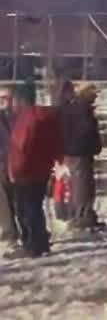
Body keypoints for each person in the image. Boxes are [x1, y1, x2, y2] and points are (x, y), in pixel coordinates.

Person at [7, 83, 63, 257]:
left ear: (21, 100)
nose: (12, 104)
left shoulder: (26, 120)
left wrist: (13, 171)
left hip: (26, 172)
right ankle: (40, 242)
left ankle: (32, 245)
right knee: (35, 207)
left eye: (13, 100)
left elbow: (20, 149)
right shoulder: (44, 117)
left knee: (26, 209)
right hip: (41, 169)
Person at [59, 83, 104, 230]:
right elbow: (85, 132)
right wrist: (94, 145)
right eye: (94, 93)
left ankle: (81, 214)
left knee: (79, 185)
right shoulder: (82, 109)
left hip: (75, 151)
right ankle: (82, 216)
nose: (96, 96)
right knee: (82, 186)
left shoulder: (76, 107)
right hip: (80, 152)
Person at [0, 86, 17, 246]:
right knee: (4, 200)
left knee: (18, 199)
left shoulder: (17, 117)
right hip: (2, 163)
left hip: (18, 162)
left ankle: (14, 231)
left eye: (7, 98)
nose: (4, 102)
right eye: (2, 98)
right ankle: (9, 232)